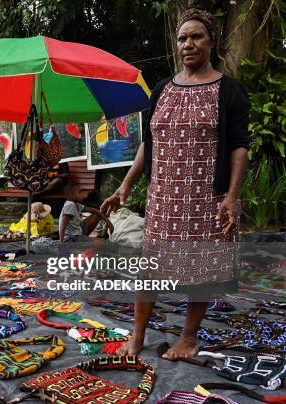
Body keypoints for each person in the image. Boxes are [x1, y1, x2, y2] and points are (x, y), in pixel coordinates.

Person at [101, 8, 250, 360]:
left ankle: (188, 338)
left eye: (196, 36)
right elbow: (147, 144)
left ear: (212, 41)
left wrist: (231, 196)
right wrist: (125, 187)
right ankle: (137, 338)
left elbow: (239, 147)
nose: (189, 43)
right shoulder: (162, 91)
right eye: (182, 38)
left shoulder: (229, 92)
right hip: (164, 199)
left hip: (207, 199)